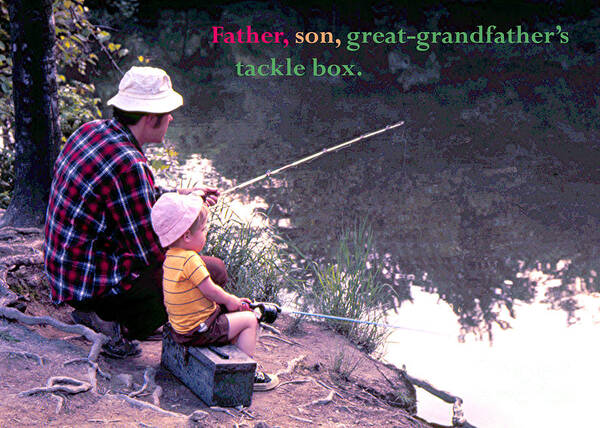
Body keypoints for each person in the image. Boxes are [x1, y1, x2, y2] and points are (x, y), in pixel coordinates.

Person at [43, 66, 223, 358]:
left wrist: (183, 196)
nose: (171, 118)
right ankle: (117, 326)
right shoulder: (130, 164)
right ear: (151, 118)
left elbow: (134, 196)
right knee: (211, 271)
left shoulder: (91, 131)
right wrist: (192, 216)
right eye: (167, 112)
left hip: (67, 275)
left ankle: (96, 314)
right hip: (88, 284)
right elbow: (152, 252)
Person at [151, 192, 278, 390]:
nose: (205, 233)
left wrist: (233, 302)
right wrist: (229, 300)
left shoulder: (171, 257)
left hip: (182, 328)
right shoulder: (190, 260)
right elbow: (210, 289)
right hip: (199, 330)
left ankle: (234, 351)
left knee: (237, 310)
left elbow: (197, 293)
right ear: (186, 236)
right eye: (203, 230)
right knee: (249, 321)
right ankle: (245, 374)